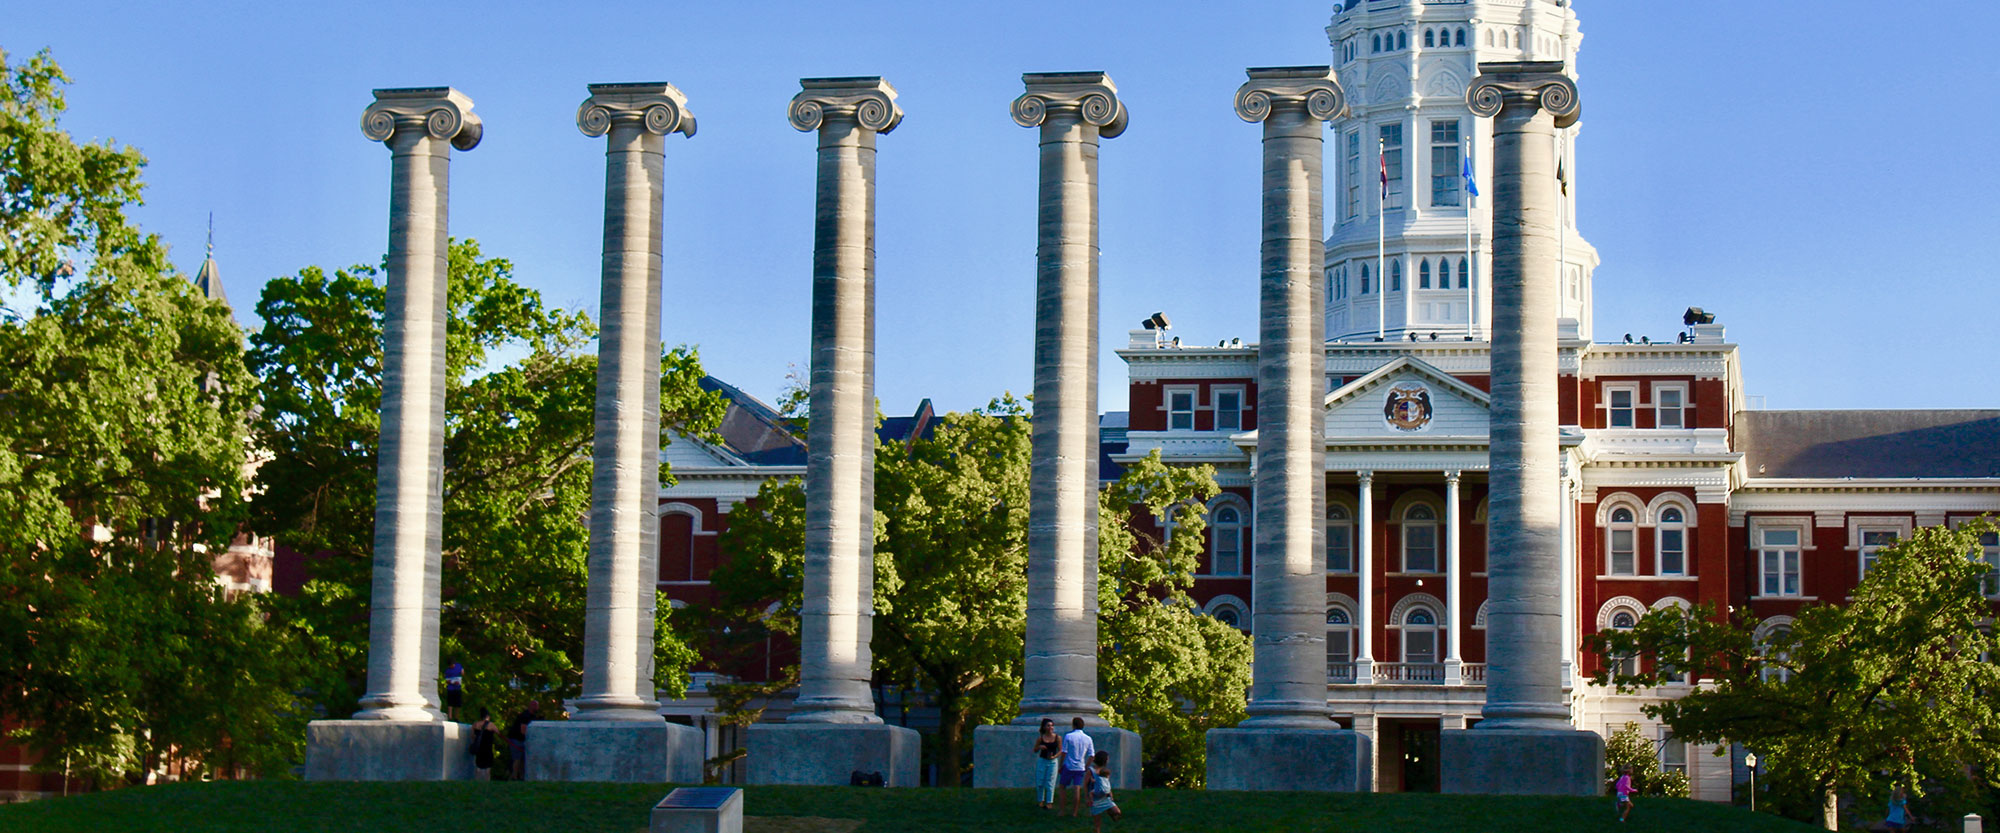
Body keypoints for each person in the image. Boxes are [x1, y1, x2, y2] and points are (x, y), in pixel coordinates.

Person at [1059, 717, 1096, 817]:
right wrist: (1086, 766)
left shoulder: (1068, 736)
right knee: (1077, 789)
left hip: (1068, 765)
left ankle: (1062, 810)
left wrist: (1061, 765)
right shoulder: (1088, 738)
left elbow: (1064, 752)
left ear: (1073, 725)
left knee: (1062, 787)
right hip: (1080, 766)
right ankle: (1074, 812)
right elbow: (1092, 755)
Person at [1031, 718, 1062, 809]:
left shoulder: (1057, 738)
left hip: (1052, 762)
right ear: (1044, 727)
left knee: (1050, 782)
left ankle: (1049, 802)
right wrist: (1040, 747)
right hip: (1042, 760)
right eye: (1048, 725)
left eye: (1052, 725)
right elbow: (1035, 750)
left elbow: (1061, 750)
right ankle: (1040, 800)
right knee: (1040, 781)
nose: (1050, 727)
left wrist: (1054, 756)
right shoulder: (1041, 738)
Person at [1088, 750, 1121, 832]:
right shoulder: (1091, 770)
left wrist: (1110, 793)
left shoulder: (1105, 771)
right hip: (1095, 797)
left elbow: (1107, 783)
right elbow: (1086, 784)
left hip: (1105, 797)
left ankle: (1110, 813)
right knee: (1097, 823)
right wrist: (1088, 797)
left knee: (1117, 811)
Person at [506, 700, 540, 780]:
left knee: (521, 759)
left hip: (521, 740)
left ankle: (521, 776)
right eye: (536, 705)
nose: (537, 707)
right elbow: (523, 730)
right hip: (517, 739)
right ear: (532, 706)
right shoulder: (525, 716)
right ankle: (514, 776)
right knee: (517, 759)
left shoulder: (532, 716)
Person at [468, 708, 497, 781]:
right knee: (488, 768)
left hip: (479, 748)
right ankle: (487, 782)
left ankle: (477, 781)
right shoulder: (491, 725)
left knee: (478, 767)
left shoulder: (475, 724)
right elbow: (498, 733)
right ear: (488, 716)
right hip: (488, 748)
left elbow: (472, 736)